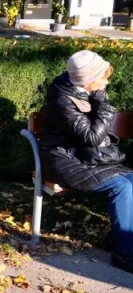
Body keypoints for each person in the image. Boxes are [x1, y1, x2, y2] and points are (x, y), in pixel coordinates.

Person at [40, 49, 133, 272]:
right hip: (63, 160)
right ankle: (124, 254)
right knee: (121, 187)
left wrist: (99, 99)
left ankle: (119, 239)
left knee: (132, 181)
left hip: (84, 157)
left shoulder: (82, 91)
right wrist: (102, 102)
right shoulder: (63, 100)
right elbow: (92, 137)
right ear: (88, 79)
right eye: (102, 76)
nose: (106, 80)